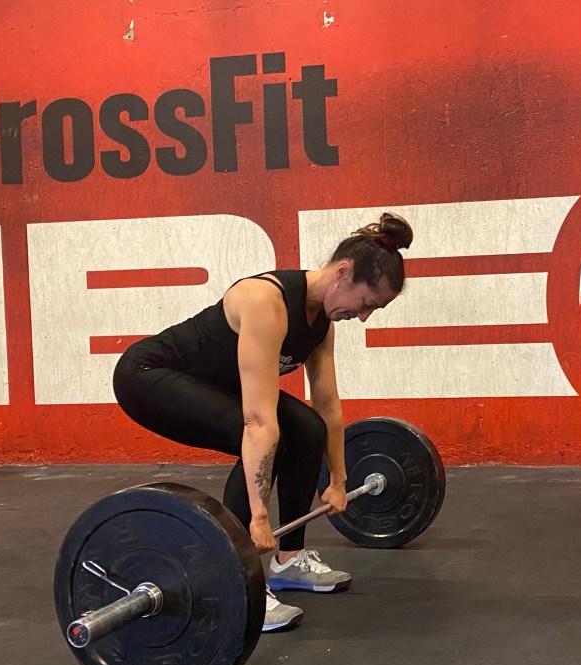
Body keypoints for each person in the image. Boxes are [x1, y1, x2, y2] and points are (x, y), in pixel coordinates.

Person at [112, 213, 412, 631]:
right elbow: (256, 422)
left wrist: (339, 479)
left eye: (372, 311)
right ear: (343, 273)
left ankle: (290, 560)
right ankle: (238, 580)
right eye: (366, 304)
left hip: (213, 384)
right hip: (148, 377)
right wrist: (257, 519)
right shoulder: (265, 302)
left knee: (307, 428)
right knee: (270, 438)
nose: (362, 317)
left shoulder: (321, 323)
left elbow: (327, 406)